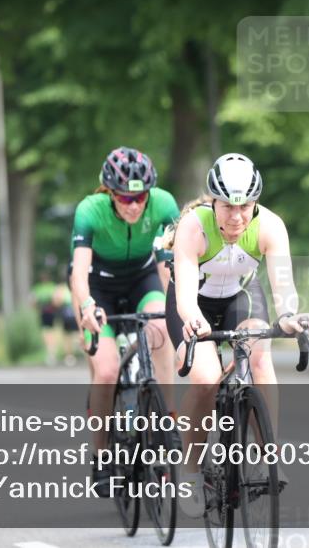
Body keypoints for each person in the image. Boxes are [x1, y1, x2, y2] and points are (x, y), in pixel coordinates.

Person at [163, 153, 309, 517]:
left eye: (245, 205)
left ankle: (266, 457)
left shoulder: (270, 226)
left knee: (260, 358)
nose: (237, 215)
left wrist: (290, 317)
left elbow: (282, 285)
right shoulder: (192, 227)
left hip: (241, 297)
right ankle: (191, 471)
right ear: (212, 201)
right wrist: (195, 322)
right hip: (193, 304)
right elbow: (183, 293)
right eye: (227, 206)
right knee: (206, 379)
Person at [68, 147, 180, 495]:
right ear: (110, 192)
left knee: (160, 326)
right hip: (97, 284)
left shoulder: (164, 205)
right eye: (124, 197)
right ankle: (101, 455)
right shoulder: (90, 210)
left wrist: (176, 307)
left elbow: (168, 266)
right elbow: (78, 272)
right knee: (105, 370)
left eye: (140, 197)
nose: (133, 205)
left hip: (141, 279)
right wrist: (86, 306)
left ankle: (166, 419)